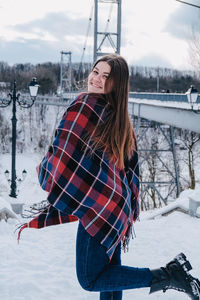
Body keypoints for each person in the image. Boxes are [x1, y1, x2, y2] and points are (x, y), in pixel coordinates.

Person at [18, 54, 200, 300]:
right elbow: (128, 171)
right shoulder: (120, 119)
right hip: (115, 207)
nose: (97, 80)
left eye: (106, 77)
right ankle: (169, 274)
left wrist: (45, 171)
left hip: (97, 207)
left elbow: (63, 154)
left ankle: (168, 274)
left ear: (117, 84)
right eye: (95, 72)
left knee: (90, 278)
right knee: (109, 272)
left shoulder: (84, 105)